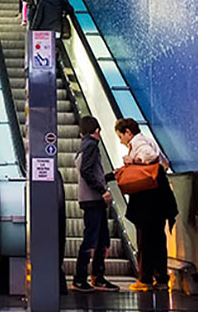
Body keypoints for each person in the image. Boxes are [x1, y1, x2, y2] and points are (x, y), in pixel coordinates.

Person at [113, 118, 178, 291]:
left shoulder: (139, 142)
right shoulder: (149, 139)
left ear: (128, 132)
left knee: (146, 239)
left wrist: (133, 161)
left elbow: (150, 156)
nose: (121, 140)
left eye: (121, 136)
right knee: (158, 239)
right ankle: (162, 279)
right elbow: (164, 163)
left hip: (148, 200)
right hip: (159, 197)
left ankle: (145, 279)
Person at [73, 116, 121, 293]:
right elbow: (86, 171)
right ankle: (81, 278)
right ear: (97, 131)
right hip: (94, 200)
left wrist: (109, 176)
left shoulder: (82, 147)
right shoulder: (92, 146)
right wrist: (102, 190)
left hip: (90, 199)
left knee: (101, 239)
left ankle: (97, 277)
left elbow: (89, 171)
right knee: (92, 239)